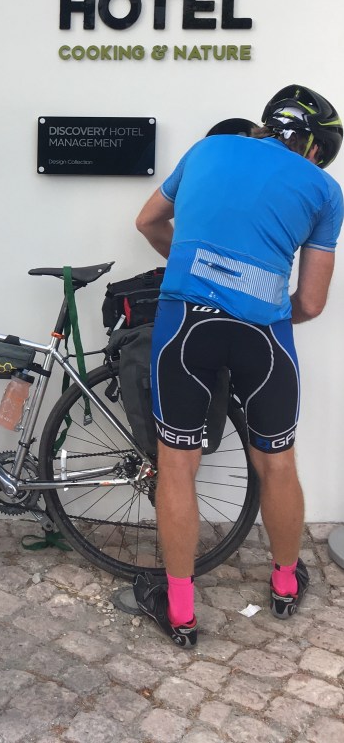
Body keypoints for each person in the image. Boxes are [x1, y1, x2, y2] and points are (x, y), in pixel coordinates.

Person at [132, 85, 343, 647]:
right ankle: (285, 585)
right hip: (264, 335)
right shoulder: (325, 189)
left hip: (186, 322)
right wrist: (257, 308)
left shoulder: (207, 149)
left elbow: (148, 222)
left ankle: (180, 611)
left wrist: (193, 267)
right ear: (315, 148)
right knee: (277, 463)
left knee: (178, 466)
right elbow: (312, 303)